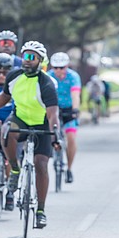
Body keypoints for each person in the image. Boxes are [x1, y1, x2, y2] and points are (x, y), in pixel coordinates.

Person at [0, 41, 60, 228]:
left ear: (40, 60)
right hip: (20, 118)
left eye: (32, 57)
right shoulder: (14, 76)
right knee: (6, 130)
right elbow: (3, 98)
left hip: (41, 122)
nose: (27, 61)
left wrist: (55, 134)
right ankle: (14, 168)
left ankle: (41, 211)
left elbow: (53, 113)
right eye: (25, 56)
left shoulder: (47, 83)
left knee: (41, 164)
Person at [48, 52, 81, 184]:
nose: (58, 71)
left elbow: (75, 94)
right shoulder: (48, 76)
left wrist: (76, 109)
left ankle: (69, 168)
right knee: (49, 134)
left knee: (71, 138)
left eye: (62, 67)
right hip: (52, 108)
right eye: (56, 68)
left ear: (67, 66)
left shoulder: (73, 77)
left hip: (68, 109)